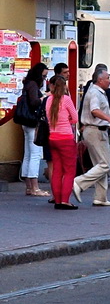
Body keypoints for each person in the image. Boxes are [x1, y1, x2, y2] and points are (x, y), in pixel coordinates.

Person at [72, 67, 110, 207]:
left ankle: (100, 197)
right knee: (105, 165)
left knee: (99, 164)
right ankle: (79, 182)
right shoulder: (95, 92)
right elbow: (95, 110)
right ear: (100, 80)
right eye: (107, 78)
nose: (109, 80)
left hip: (96, 130)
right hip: (95, 130)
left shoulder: (98, 91)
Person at [44, 76, 80, 209]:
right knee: (69, 171)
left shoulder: (48, 100)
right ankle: (65, 200)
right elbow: (75, 118)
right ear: (64, 86)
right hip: (66, 138)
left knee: (57, 170)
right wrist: (67, 122)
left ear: (51, 86)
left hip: (52, 138)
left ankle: (57, 200)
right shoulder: (66, 100)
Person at [19, 62, 49, 197]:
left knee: (28, 154)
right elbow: (34, 102)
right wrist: (45, 96)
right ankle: (35, 187)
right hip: (32, 122)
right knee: (35, 154)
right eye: (43, 76)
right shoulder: (32, 85)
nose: (44, 79)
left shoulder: (27, 83)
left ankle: (28, 187)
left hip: (25, 122)